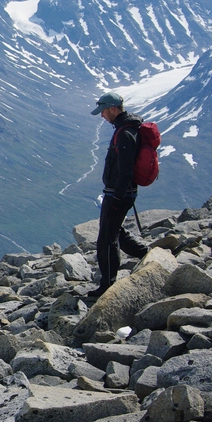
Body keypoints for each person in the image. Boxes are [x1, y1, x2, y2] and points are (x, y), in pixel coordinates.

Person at [91, 92, 149, 296]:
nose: (102, 116)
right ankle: (144, 253)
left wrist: (116, 197)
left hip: (119, 194)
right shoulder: (127, 128)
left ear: (113, 108)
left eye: (104, 111)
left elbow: (125, 171)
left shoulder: (125, 133)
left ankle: (107, 285)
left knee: (106, 238)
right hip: (123, 192)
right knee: (114, 230)